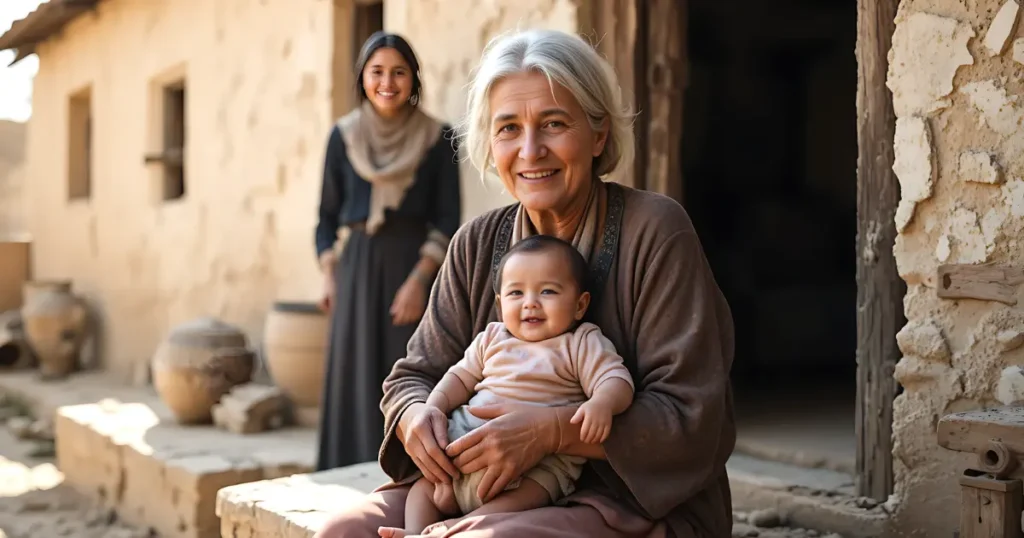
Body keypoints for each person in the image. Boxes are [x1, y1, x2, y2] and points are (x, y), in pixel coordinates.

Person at [315, 28, 735, 538]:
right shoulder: (475, 243)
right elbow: (412, 376)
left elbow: (691, 414)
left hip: (621, 497)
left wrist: (551, 432)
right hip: (471, 483)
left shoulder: (657, 230)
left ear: (598, 134)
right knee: (343, 532)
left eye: (554, 123)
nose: (530, 150)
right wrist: (415, 419)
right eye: (508, 128)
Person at [378, 235, 635, 538]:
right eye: (516, 292)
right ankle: (414, 532)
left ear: (580, 305)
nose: (530, 303)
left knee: (533, 493)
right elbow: (458, 378)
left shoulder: (580, 342)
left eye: (548, 291)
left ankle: (458, 526)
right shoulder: (492, 338)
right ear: (500, 305)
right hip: (461, 452)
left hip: (536, 466)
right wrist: (432, 407)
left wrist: (602, 403)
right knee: (421, 489)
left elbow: (615, 379)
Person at [314, 31, 461, 471]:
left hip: (414, 265)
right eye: (377, 72)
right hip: (356, 267)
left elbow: (448, 218)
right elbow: (325, 218)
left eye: (399, 72)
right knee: (355, 373)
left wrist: (420, 280)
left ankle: (406, 470)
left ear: (413, 78)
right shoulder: (343, 137)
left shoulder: (438, 138)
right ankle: (348, 468)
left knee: (409, 369)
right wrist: (328, 273)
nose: (388, 82)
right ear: (362, 78)